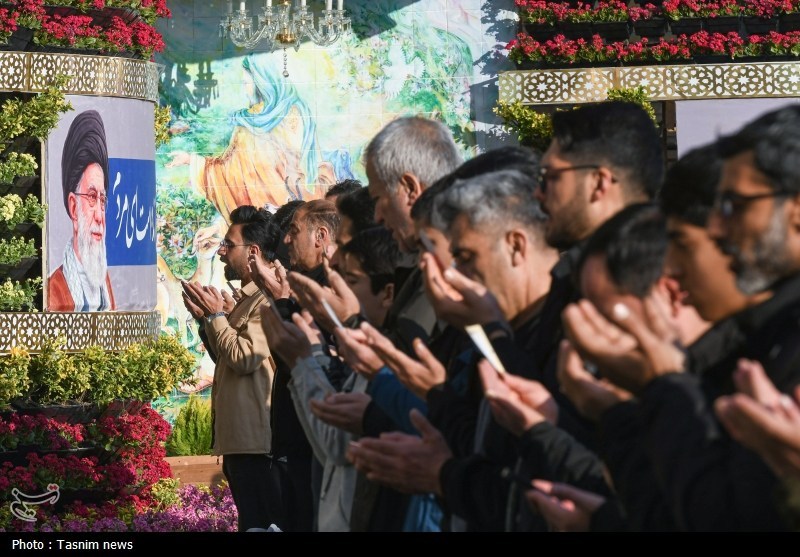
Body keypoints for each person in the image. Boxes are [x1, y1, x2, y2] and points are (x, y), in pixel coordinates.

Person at [181, 205, 277, 531]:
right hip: (241, 445)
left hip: (258, 447)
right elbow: (225, 359)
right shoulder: (248, 301)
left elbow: (244, 357)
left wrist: (216, 317)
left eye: (228, 245)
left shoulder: (267, 301)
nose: (222, 252)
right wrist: (206, 318)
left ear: (254, 252)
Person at [166, 55, 337, 223]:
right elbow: (315, 167)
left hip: (270, 222)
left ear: (261, 82)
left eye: (246, 83)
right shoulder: (299, 110)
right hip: (306, 215)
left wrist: (191, 160)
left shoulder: (249, 124)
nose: (245, 89)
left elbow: (228, 172)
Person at [48, 110, 116, 312]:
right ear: (73, 206)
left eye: (102, 200)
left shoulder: (104, 281)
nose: (100, 216)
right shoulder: (55, 288)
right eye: (92, 197)